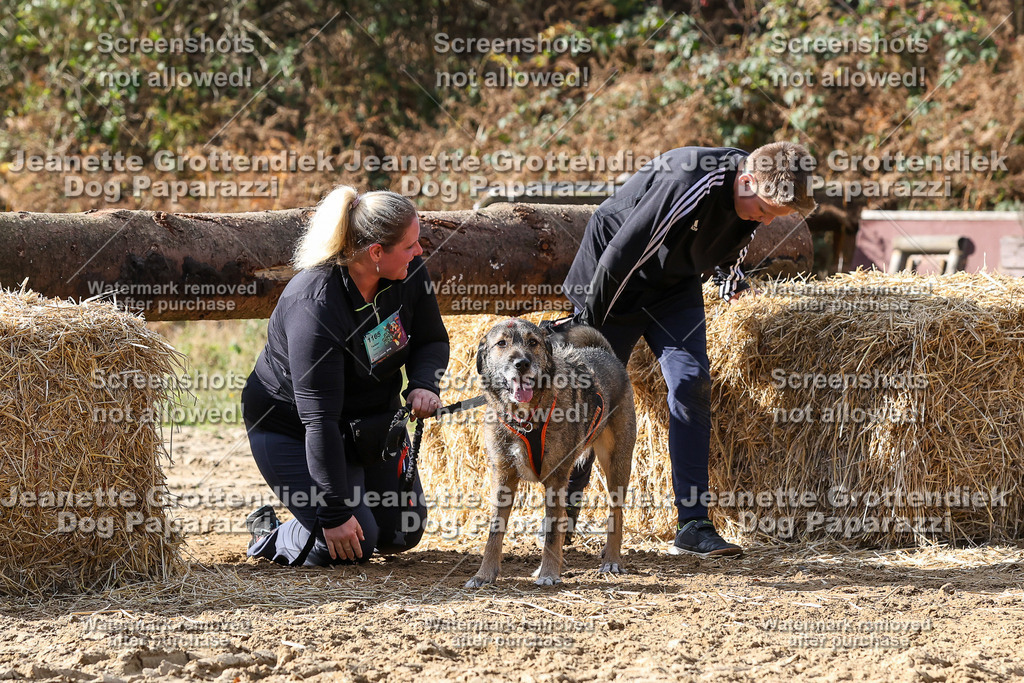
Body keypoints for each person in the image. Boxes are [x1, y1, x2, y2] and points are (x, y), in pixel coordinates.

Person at [562, 141, 818, 557]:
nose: (766, 221)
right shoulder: (692, 179)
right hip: (615, 277)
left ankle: (693, 524)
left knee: (691, 382)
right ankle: (562, 512)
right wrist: (589, 321)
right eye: (766, 211)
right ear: (747, 181)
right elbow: (626, 250)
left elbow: (734, 237)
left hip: (673, 285)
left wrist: (732, 282)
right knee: (596, 395)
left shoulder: (756, 190)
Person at [241, 186, 449, 566]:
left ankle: (324, 516)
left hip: (365, 422)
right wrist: (333, 514)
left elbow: (432, 340)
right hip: (293, 429)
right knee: (354, 543)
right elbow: (318, 421)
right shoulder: (315, 307)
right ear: (375, 253)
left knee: (402, 531)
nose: (419, 252)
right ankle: (271, 535)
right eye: (410, 245)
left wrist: (423, 383)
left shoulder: (409, 274)